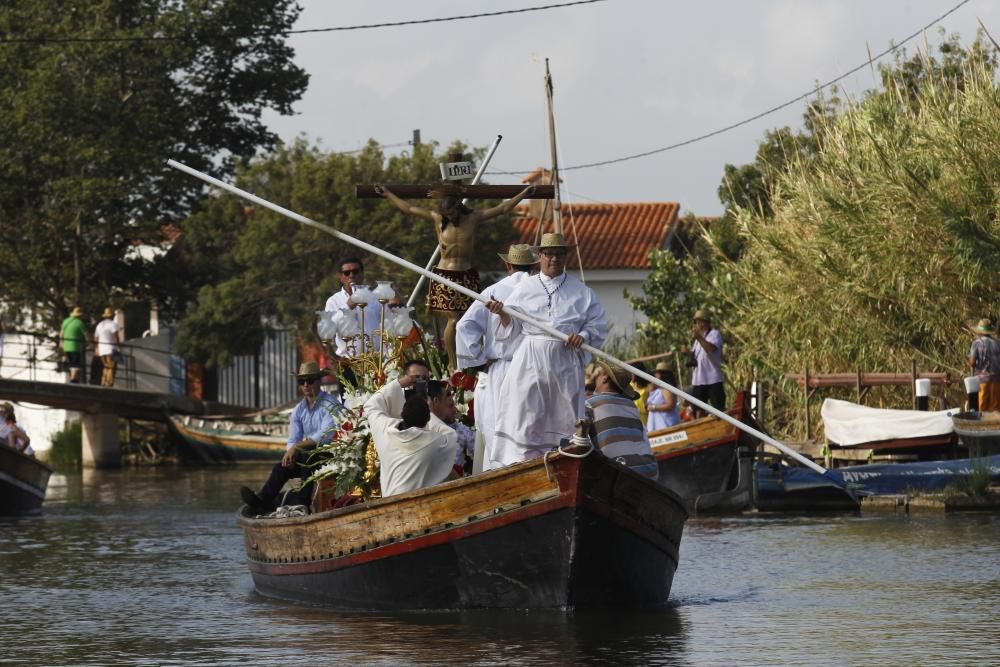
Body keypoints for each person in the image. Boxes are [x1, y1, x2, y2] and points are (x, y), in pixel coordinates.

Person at [374, 182, 537, 372]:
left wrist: (523, 194)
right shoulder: (438, 219)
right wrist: (387, 193)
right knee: (454, 320)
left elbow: (502, 208)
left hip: (466, 275)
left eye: (451, 213)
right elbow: (409, 209)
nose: (449, 217)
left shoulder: (473, 218)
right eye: (446, 214)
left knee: (473, 319)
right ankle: (454, 364)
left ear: (458, 206)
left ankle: (474, 359)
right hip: (445, 275)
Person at [486, 232, 609, 464]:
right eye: (549, 254)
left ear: (565, 257)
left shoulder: (581, 291)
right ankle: (521, 466)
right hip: (530, 358)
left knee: (564, 416)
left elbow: (598, 323)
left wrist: (582, 336)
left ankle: (564, 462)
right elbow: (511, 327)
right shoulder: (525, 287)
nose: (554, 259)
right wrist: (502, 313)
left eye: (559, 254)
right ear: (540, 256)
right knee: (525, 411)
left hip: (564, 359)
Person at [455, 243, 539, 469]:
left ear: (508, 265)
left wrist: (479, 358)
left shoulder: (493, 291)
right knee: (529, 432)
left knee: (497, 431)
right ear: (533, 265)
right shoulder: (541, 291)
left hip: (501, 369)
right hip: (533, 369)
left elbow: (464, 326)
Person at [241, 361, 342, 514]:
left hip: (330, 455)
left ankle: (303, 504)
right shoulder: (298, 410)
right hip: (307, 453)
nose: (306, 385)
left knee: (309, 458)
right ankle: (262, 501)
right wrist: (290, 452)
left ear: (318, 381)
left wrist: (296, 448)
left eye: (310, 380)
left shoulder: (331, 404)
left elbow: (324, 436)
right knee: (280, 468)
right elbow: (293, 438)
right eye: (302, 381)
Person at [365, 371, 456, 497]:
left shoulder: (385, 430)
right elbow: (451, 436)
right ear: (427, 419)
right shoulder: (434, 443)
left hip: (388, 506)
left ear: (402, 413)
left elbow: (371, 405)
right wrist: (429, 411)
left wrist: (402, 382)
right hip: (419, 510)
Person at [585, 361, 658, 479]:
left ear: (605, 378)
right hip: (649, 470)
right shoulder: (631, 405)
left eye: (597, 375)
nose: (594, 378)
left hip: (618, 472)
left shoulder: (590, 404)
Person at [323, 256, 384, 388]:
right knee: (351, 406)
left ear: (362, 274)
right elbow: (328, 330)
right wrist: (348, 306)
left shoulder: (376, 298)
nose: (352, 275)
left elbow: (387, 326)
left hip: (376, 362)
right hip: (348, 363)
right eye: (347, 273)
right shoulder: (333, 301)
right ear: (341, 277)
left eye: (355, 272)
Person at [426, 380, 474, 475]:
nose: (455, 410)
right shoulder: (418, 431)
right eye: (450, 406)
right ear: (435, 402)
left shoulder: (460, 429)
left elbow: (481, 449)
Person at [682, 309, 724, 416]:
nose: (697, 324)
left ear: (705, 322)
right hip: (699, 380)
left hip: (713, 379)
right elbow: (697, 356)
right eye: (696, 322)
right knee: (697, 410)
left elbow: (711, 349)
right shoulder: (698, 339)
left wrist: (699, 338)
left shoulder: (714, 334)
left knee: (718, 408)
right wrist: (688, 353)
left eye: (699, 322)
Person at [969, 318, 1000, 412]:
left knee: (982, 407)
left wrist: (970, 361)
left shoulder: (977, 343)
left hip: (982, 380)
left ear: (979, 332)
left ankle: (982, 425)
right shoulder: (998, 343)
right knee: (995, 409)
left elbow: (972, 362)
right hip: (997, 379)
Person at [646, 362, 681, 432]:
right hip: (659, 426)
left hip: (666, 425)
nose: (655, 375)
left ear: (662, 374)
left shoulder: (667, 389)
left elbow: (670, 405)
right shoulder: (659, 389)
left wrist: (653, 407)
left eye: (657, 373)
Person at [60, 306, 88, 383]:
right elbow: (86, 334)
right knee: (75, 363)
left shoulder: (65, 321)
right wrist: (90, 342)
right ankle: (73, 378)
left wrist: (61, 343)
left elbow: (61, 333)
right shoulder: (80, 323)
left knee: (71, 362)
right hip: (75, 346)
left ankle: (72, 377)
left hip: (66, 346)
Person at [94, 307, 120, 387]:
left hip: (102, 350)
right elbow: (115, 336)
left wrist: (97, 348)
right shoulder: (113, 324)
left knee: (106, 367)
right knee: (112, 367)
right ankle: (109, 384)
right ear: (112, 316)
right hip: (111, 349)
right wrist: (118, 346)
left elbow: (96, 338)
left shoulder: (99, 325)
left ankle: (103, 382)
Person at [630, 360, 651, 425]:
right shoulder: (629, 386)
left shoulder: (647, 390)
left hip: (643, 422)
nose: (630, 374)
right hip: (630, 420)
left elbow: (647, 409)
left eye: (632, 372)